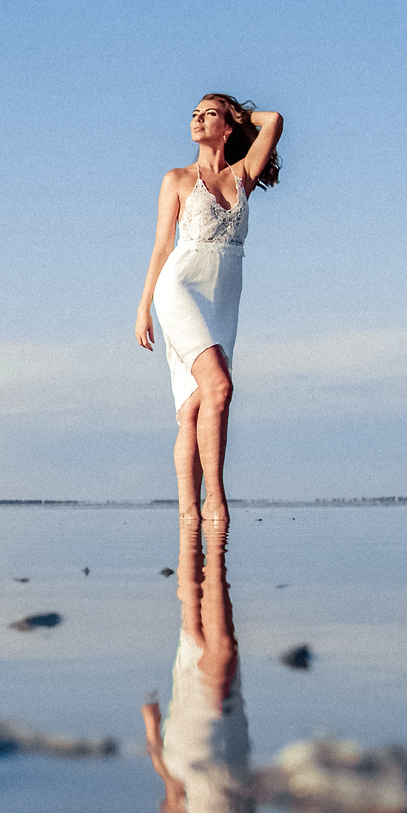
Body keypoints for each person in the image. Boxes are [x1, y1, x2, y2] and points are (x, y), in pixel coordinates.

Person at [140, 538, 305, 813]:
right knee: (208, 643)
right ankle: (201, 527)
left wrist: (151, 732)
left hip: (188, 751)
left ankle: (200, 529)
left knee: (207, 644)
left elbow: (172, 790)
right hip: (233, 746)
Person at [135, 94, 282, 534]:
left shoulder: (243, 176)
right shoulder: (177, 178)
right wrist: (144, 306)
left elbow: (273, 119)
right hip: (179, 288)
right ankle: (214, 500)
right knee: (218, 386)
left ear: (229, 127)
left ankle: (187, 513)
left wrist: (236, 110)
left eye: (209, 114)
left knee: (195, 404)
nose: (198, 119)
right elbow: (162, 247)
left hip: (222, 297)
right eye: (194, 114)